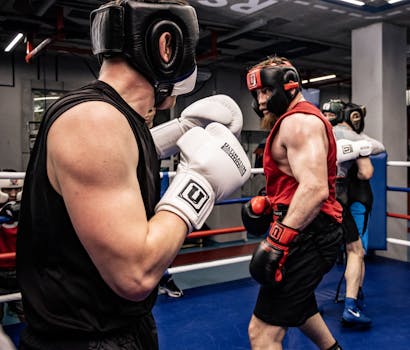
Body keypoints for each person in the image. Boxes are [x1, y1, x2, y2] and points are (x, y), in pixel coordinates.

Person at [16, 1, 251, 349]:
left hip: (118, 329)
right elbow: (135, 273)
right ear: (166, 45)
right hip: (85, 340)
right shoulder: (94, 121)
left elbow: (117, 160)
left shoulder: (112, 118)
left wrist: (182, 129)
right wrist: (200, 181)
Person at [241, 56, 370, 350]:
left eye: (266, 91)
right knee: (299, 307)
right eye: (256, 94)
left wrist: (277, 240)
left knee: (261, 332)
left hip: (309, 234)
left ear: (287, 85)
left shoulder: (299, 123)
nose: (260, 101)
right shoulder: (295, 119)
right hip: (309, 229)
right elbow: (298, 181)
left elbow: (313, 189)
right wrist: (270, 200)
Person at [321, 100, 385, 327]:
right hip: (343, 198)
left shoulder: (315, 131)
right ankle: (351, 304)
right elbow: (369, 167)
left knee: (314, 250)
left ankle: (303, 300)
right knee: (356, 251)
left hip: (313, 198)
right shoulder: (353, 137)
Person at [0, 172, 25, 324]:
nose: (13, 194)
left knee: (25, 310)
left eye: (17, 189)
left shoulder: (29, 209)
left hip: (20, 269)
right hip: (0, 269)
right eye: (8, 190)